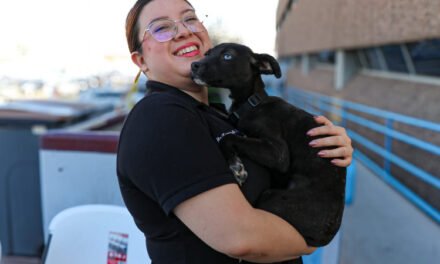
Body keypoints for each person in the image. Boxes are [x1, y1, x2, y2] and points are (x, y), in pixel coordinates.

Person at [117, 0, 354, 263]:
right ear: (141, 61)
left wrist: (325, 146)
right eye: (161, 28)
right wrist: (312, 238)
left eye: (190, 19)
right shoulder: (161, 116)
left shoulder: (219, 115)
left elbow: (282, 169)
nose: (184, 31)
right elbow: (242, 239)